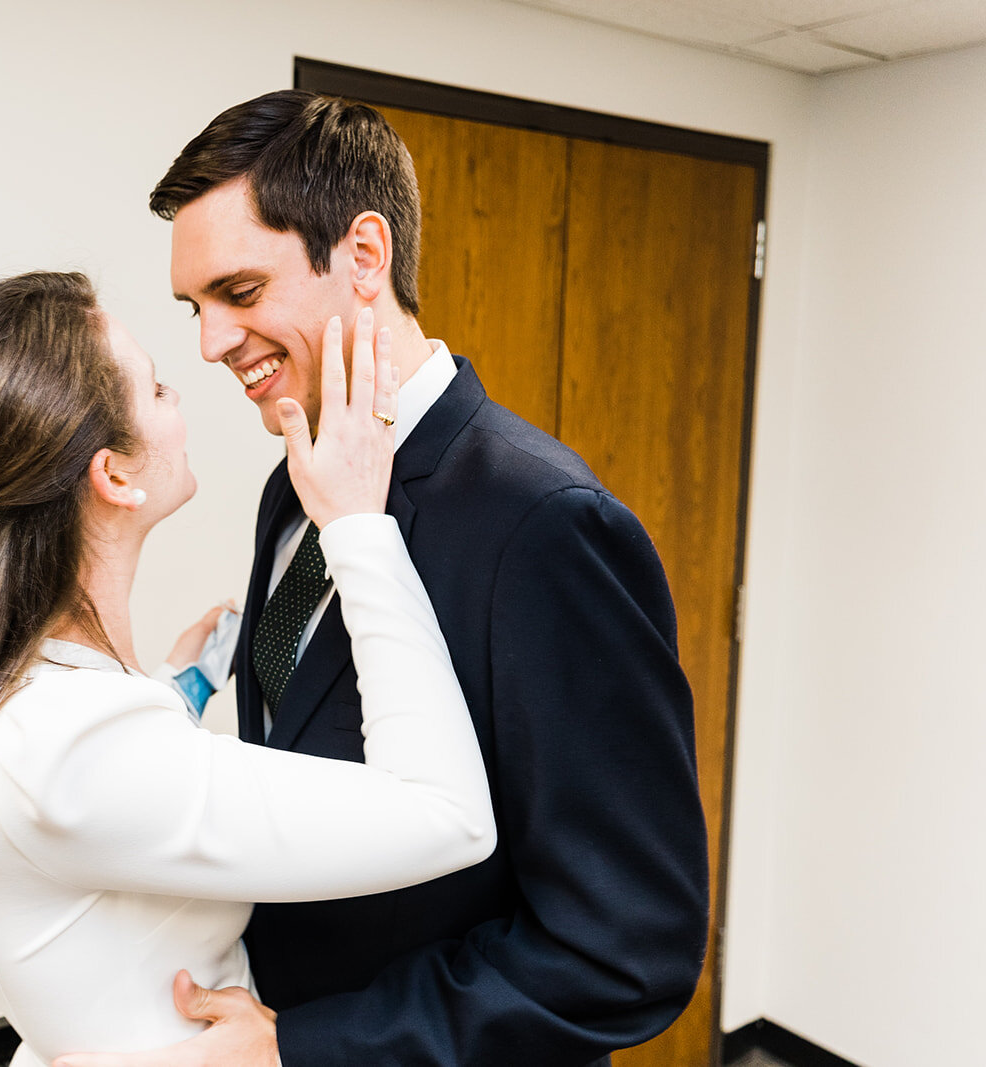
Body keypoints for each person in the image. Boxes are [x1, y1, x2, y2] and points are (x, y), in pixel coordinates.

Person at [53, 91, 709, 1067]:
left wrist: (312, 1043)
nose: (211, 342)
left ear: (364, 256)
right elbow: (300, 756)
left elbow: (626, 942)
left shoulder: (544, 525)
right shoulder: (292, 487)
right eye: (195, 308)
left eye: (239, 291)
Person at [0, 270, 499, 1067]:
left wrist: (178, 689)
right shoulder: (72, 747)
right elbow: (446, 813)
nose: (192, 373)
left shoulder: (15, 703)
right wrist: (358, 525)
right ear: (113, 474)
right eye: (156, 389)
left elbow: (114, 816)